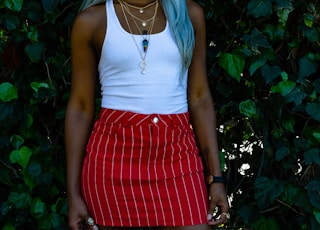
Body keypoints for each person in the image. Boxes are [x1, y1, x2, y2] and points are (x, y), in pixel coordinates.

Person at [65, 0, 229, 229]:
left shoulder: (189, 15)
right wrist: (73, 194)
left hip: (177, 156)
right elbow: (81, 108)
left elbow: (200, 98)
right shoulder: (93, 21)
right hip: (112, 162)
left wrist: (216, 178)